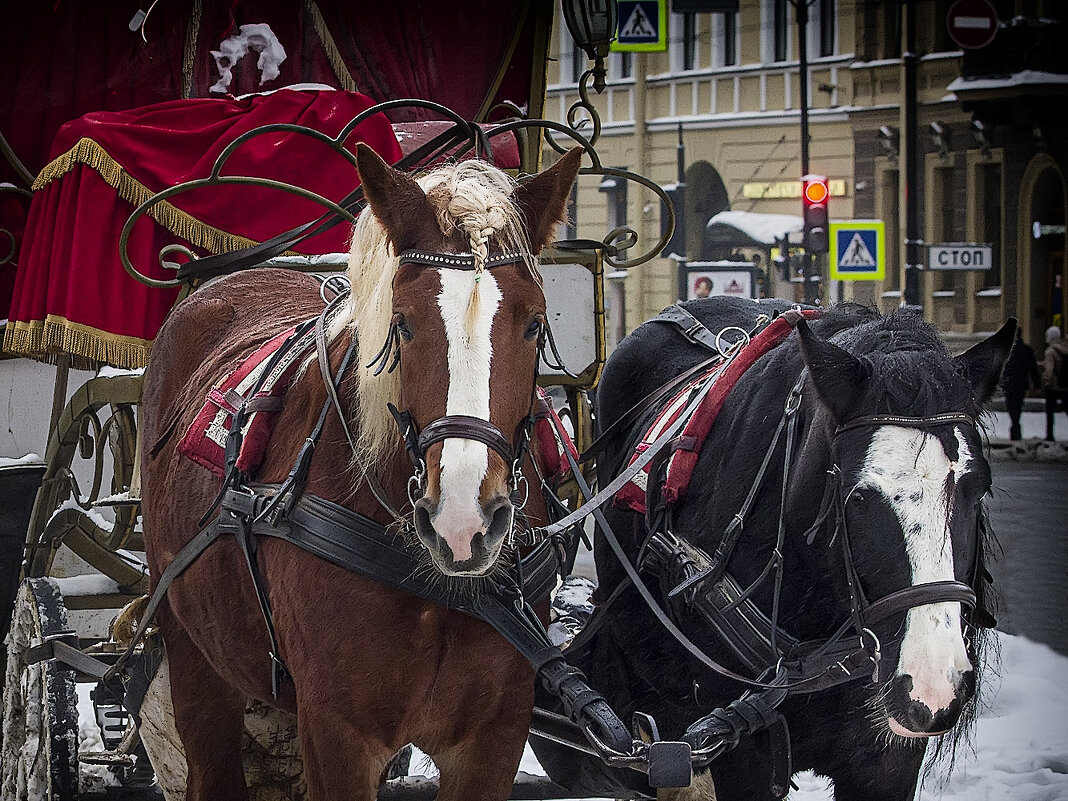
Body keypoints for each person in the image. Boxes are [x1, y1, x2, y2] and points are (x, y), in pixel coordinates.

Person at [1001, 330, 1040, 440]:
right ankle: (1015, 426)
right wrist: (1037, 384)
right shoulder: (1027, 350)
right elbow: (1033, 369)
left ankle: (1015, 427)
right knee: (1018, 406)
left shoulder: (1006, 350)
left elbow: (1000, 369)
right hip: (1021, 384)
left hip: (1009, 384)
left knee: (1011, 406)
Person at [1041, 325, 1068, 441]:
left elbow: (1049, 370)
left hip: (1053, 387)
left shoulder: (1050, 351)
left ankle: (1050, 435)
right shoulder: (1065, 348)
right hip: (1065, 385)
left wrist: (1047, 380)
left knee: (1050, 412)